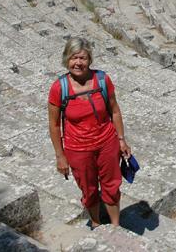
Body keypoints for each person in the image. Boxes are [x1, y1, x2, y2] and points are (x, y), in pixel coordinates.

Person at [48, 37, 131, 229]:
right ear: (66, 60)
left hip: (107, 143)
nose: (78, 63)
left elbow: (115, 110)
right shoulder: (59, 88)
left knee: (112, 185)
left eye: (82, 58)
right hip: (78, 148)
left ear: (89, 60)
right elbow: (54, 125)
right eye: (73, 58)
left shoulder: (102, 80)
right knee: (89, 189)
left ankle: (116, 226)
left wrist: (121, 139)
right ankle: (95, 223)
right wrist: (60, 156)